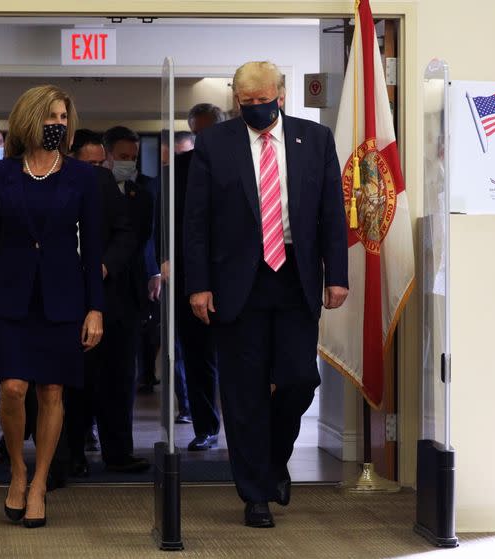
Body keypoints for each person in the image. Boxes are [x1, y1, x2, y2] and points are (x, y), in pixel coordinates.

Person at [184, 61, 348, 528]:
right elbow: (196, 220)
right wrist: (199, 284)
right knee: (243, 392)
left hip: (295, 276)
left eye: (263, 101)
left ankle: (275, 460)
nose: (255, 109)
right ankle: (254, 493)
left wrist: (337, 275)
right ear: (237, 101)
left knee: (298, 380)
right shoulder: (215, 143)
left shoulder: (314, 140)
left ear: (281, 94)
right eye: (246, 103)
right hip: (238, 283)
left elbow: (331, 214)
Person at [0, 85, 104, 528]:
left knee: (51, 392)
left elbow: (95, 246)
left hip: (64, 299)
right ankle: (18, 470)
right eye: (50, 118)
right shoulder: (2, 173)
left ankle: (40, 482)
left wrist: (95, 309)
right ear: (30, 121)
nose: (58, 125)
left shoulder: (82, 177)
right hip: (10, 299)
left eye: (63, 118)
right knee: (12, 389)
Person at [66, 128, 137, 475]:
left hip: (110, 298)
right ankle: (72, 454)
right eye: (89, 164)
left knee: (117, 379)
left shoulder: (105, 185)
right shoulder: (56, 184)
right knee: (73, 383)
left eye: (101, 163)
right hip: (64, 297)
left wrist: (106, 265)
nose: (98, 170)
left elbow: (127, 231)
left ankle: (119, 452)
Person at [156, 103, 226, 451]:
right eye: (198, 132)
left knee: (237, 359)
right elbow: (162, 222)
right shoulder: (176, 171)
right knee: (197, 359)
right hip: (187, 276)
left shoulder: (239, 163)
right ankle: (206, 427)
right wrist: (163, 261)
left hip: (234, 276)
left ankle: (247, 432)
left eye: (209, 131)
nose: (204, 139)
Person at [93, 125, 154, 472]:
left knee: (120, 379)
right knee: (85, 377)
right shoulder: (86, 187)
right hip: (88, 291)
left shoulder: (142, 194)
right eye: (123, 157)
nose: (128, 164)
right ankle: (76, 446)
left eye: (133, 157)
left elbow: (138, 241)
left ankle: (118, 451)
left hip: (126, 297)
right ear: (107, 154)